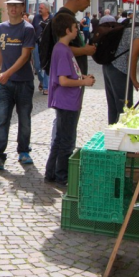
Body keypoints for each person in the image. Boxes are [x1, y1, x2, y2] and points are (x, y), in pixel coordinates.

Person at [0, 0, 37, 170]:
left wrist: (6, 73)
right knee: (2, 118)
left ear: (23, 7)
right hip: (6, 83)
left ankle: (24, 151)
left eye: (17, 5)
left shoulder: (28, 29)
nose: (13, 8)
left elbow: (25, 57)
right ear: (6, 7)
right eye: (10, 5)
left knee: (24, 119)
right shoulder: (1, 28)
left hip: (24, 81)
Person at [44, 13, 95, 186]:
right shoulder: (62, 50)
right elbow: (63, 80)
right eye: (75, 28)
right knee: (66, 141)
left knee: (60, 139)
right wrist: (84, 82)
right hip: (67, 102)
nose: (78, 31)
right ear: (68, 30)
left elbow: (68, 75)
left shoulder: (62, 49)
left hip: (66, 101)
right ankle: (62, 176)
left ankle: (51, 173)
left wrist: (83, 76)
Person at [57, 0, 97, 77]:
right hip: (69, 78)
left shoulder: (68, 16)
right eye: (88, 0)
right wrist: (84, 50)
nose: (89, 4)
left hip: (74, 76)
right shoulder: (63, 17)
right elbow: (61, 49)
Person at [32, 2, 52, 95]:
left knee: (47, 65)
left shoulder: (52, 19)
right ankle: (42, 80)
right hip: (37, 44)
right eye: (39, 8)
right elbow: (32, 29)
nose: (39, 9)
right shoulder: (36, 18)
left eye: (41, 8)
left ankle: (45, 87)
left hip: (48, 45)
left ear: (47, 9)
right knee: (37, 66)